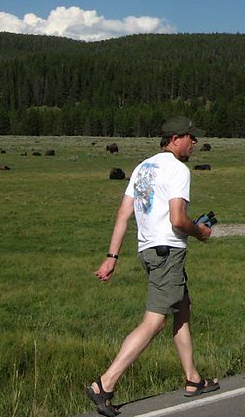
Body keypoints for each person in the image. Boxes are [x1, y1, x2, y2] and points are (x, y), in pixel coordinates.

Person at [86, 117, 219, 417]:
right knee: (155, 321)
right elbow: (177, 220)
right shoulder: (178, 169)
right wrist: (201, 232)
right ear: (175, 139)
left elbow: (123, 215)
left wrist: (112, 257)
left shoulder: (142, 168)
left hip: (148, 250)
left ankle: (192, 379)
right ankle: (104, 385)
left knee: (182, 307)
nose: (194, 143)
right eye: (190, 138)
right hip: (167, 251)